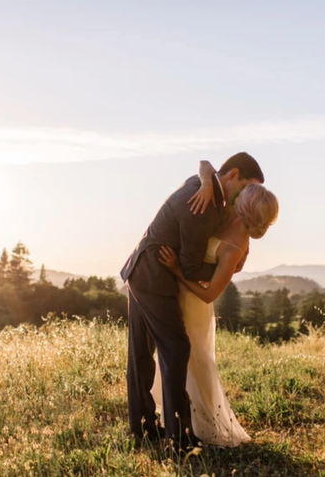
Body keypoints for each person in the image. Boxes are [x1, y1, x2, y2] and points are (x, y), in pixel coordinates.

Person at [120, 153, 265, 449]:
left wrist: (205, 177)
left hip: (139, 267)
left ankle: (143, 427)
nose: (245, 196)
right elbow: (190, 266)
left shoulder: (204, 184)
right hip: (154, 276)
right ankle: (180, 436)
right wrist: (229, 267)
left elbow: (205, 164)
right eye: (246, 188)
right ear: (233, 174)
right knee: (175, 349)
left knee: (140, 352)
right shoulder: (207, 205)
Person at [154, 181, 279, 447]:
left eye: (243, 195)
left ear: (246, 205)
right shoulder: (222, 216)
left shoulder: (236, 247)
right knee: (172, 355)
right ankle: (171, 416)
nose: (236, 195)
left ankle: (205, 424)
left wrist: (177, 271)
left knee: (195, 359)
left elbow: (210, 294)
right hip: (176, 294)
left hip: (195, 302)